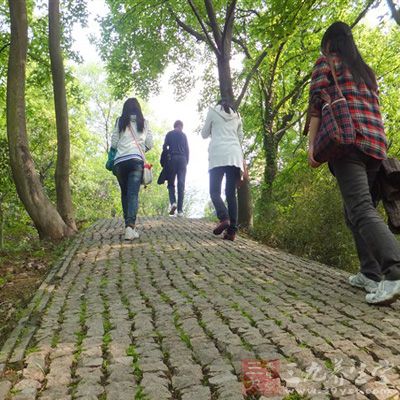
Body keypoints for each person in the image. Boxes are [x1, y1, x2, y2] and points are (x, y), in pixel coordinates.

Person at [306, 21, 400, 305]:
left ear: (328, 44)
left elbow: (316, 106)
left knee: (359, 209)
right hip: (375, 146)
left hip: (347, 143)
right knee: (355, 210)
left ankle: (394, 273)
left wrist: (311, 148)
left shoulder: (327, 63)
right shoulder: (365, 71)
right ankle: (370, 273)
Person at [111, 98, 153, 240]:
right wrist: (141, 149)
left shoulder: (120, 121)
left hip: (120, 162)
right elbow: (150, 143)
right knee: (133, 194)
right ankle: (130, 227)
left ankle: (127, 226)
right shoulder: (144, 122)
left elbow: (114, 143)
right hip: (136, 160)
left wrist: (122, 148)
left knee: (125, 193)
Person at [201, 100, 244, 241]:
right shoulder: (237, 115)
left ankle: (224, 217)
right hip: (234, 155)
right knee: (231, 194)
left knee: (214, 191)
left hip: (218, 154)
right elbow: (240, 137)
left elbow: (204, 133)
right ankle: (232, 232)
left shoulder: (212, 112)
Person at [162, 120, 189, 217]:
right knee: (181, 184)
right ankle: (180, 211)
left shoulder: (169, 134)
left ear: (174, 126)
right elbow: (187, 150)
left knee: (170, 183)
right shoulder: (184, 135)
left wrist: (167, 155)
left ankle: (173, 202)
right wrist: (186, 162)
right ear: (181, 126)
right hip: (182, 160)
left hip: (172, 159)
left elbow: (164, 147)